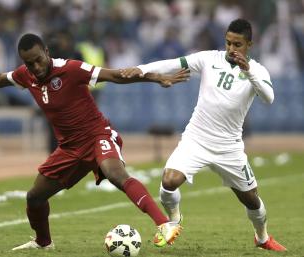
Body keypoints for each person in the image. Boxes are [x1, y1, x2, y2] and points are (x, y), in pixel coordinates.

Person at [0, 33, 190, 250]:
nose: (36, 67)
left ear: (46, 51)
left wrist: (155, 77)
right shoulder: (26, 75)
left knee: (115, 174)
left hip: (97, 135)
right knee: (34, 197)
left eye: (39, 60)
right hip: (69, 148)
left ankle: (164, 223)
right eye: (29, 63)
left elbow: (117, 75)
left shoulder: (72, 69)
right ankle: (44, 243)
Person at [120, 19, 287, 251]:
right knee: (168, 182)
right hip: (196, 139)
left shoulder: (257, 70)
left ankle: (262, 238)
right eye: (228, 43)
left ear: (249, 44)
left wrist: (248, 71)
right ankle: (174, 221)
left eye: (237, 44)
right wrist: (143, 69)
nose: (231, 49)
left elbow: (269, 98)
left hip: (229, 147)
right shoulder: (210, 59)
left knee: (251, 200)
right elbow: (173, 63)